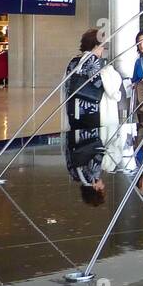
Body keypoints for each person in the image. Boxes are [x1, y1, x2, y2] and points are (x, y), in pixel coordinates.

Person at [63, 28, 110, 201]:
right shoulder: (78, 175)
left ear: (96, 189)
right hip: (88, 109)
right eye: (103, 46)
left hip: (73, 109)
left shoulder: (74, 61)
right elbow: (99, 84)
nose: (103, 184)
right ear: (96, 45)